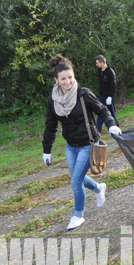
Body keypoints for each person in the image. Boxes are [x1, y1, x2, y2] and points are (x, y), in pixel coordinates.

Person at [42, 55, 122, 230]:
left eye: (70, 77)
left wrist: (111, 125)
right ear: (56, 80)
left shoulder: (83, 93)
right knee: (78, 179)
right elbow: (50, 126)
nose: (68, 81)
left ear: (74, 76)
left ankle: (78, 215)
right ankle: (99, 189)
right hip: (71, 146)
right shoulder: (53, 100)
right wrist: (46, 149)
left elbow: (102, 110)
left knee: (75, 182)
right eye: (63, 78)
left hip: (88, 143)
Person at [95, 55, 120, 133]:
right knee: (100, 113)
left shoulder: (110, 72)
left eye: (97, 63)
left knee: (111, 113)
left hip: (108, 97)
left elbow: (113, 85)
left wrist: (110, 96)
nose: (96, 65)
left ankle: (115, 127)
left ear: (102, 63)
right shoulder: (99, 70)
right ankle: (97, 130)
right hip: (101, 96)